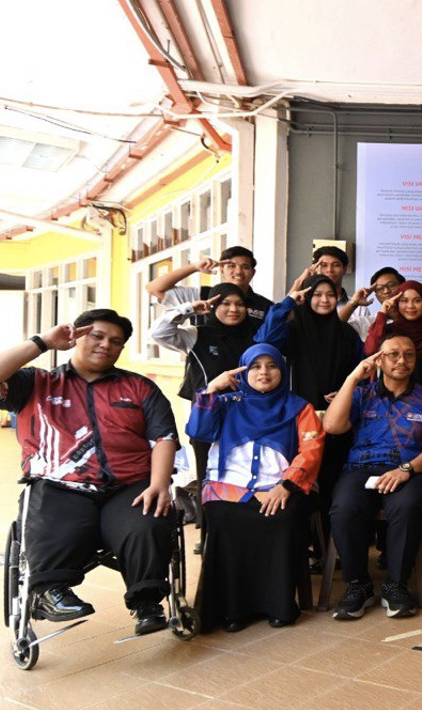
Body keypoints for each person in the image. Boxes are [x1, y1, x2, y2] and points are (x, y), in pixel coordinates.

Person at [0, 310, 180, 635]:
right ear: (76, 337)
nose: (106, 345)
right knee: (46, 509)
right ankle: (51, 593)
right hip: (59, 485)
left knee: (148, 518)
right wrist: (43, 342)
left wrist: (160, 484)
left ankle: (147, 601)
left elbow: (164, 438)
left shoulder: (139, 387)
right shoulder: (37, 383)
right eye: (97, 336)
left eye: (116, 341)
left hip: (127, 486)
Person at [185, 343, 324, 632]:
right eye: (255, 366)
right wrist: (211, 389)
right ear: (243, 372)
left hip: (281, 485)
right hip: (228, 486)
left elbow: (311, 449)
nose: (264, 372)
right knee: (226, 519)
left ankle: (278, 605)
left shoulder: (300, 407)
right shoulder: (226, 403)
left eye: (272, 366)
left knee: (281, 517)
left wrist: (286, 485)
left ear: (283, 371)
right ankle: (233, 609)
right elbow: (198, 432)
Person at [323, 335, 422, 620]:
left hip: (410, 469)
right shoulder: (362, 394)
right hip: (361, 468)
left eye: (408, 355)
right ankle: (358, 585)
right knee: (344, 508)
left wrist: (405, 470)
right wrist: (353, 378)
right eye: (393, 354)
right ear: (379, 360)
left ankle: (396, 584)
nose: (402, 360)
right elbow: (332, 426)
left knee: (407, 506)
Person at [254, 269, 363, 516]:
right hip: (299, 420)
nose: (325, 300)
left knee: (333, 481)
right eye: (317, 295)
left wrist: (349, 393)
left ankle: (331, 536)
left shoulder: (347, 333)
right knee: (302, 481)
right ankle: (307, 536)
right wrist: (289, 302)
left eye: (331, 295)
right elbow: (265, 341)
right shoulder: (292, 330)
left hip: (339, 421)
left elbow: (364, 373)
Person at [151, 283, 261, 472]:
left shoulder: (255, 336)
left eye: (239, 304)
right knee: (208, 477)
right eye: (226, 303)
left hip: (248, 417)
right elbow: (158, 333)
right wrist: (188, 309)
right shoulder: (198, 334)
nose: (234, 309)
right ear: (213, 307)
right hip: (208, 417)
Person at [147, 245, 274, 322]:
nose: (238, 271)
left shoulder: (266, 306)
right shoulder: (201, 296)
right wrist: (194, 267)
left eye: (245, 267)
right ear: (222, 270)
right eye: (231, 266)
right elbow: (154, 288)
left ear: (253, 272)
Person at [363, 281, 422, 396]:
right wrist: (383, 313)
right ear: (397, 303)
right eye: (404, 300)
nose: (410, 306)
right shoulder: (388, 330)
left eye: (417, 300)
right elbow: (371, 350)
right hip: (387, 398)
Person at [340, 266, 405, 340]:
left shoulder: (413, 317)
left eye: (391, 285)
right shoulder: (366, 323)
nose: (386, 291)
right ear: (376, 295)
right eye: (379, 288)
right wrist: (353, 303)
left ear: (403, 287)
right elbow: (334, 328)